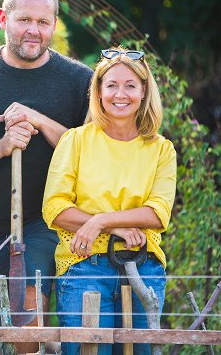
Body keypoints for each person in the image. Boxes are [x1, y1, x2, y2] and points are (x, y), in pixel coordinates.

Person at [0, 0, 93, 351]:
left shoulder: (80, 80)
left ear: (55, 26)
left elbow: (92, 156)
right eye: (24, 19)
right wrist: (0, 146)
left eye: (43, 22)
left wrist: (40, 121)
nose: (34, 30)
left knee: (29, 312)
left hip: (49, 221)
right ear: (3, 19)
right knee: (14, 328)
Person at [42, 47, 177, 355]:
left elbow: (158, 214)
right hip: (84, 267)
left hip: (143, 266)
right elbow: (55, 208)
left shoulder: (161, 150)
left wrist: (102, 221)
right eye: (112, 85)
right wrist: (118, 229)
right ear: (99, 91)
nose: (121, 94)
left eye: (130, 85)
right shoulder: (75, 141)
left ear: (143, 92)